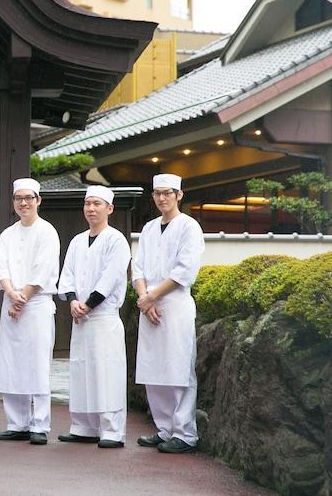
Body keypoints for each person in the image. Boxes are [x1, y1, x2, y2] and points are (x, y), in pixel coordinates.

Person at [132, 173, 205, 454]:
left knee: (178, 368)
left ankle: (185, 433)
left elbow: (184, 271)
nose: (162, 198)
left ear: (179, 195)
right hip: (148, 305)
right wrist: (144, 298)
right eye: (157, 193)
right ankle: (164, 429)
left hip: (174, 305)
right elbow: (137, 268)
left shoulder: (189, 227)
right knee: (153, 369)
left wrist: (152, 296)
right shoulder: (149, 228)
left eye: (168, 193)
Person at [57, 185, 131, 449]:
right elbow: (66, 277)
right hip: (81, 319)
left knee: (106, 371)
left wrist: (88, 304)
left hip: (104, 317)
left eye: (97, 204)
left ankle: (111, 430)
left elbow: (111, 277)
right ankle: (83, 426)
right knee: (80, 369)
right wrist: (74, 301)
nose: (91, 208)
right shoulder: (77, 241)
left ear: (109, 208)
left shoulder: (116, 240)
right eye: (87, 203)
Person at [0, 178, 61, 445]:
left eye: (28, 198)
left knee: (37, 364)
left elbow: (44, 269)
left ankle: (40, 425)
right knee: (11, 363)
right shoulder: (7, 234)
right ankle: (17, 422)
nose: (23, 203)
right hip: (12, 303)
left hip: (38, 304)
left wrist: (24, 297)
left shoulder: (48, 231)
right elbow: (1, 268)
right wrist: (11, 294)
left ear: (38, 200)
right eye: (18, 198)